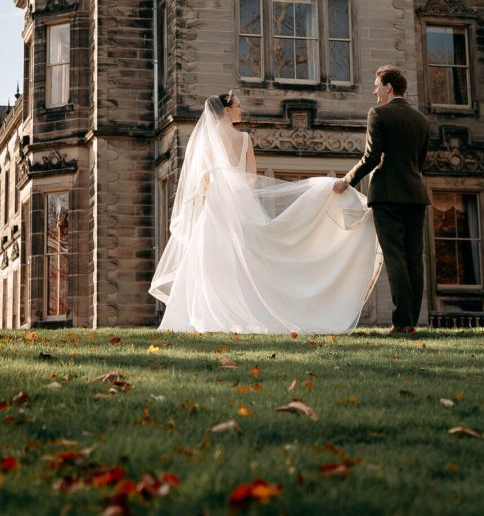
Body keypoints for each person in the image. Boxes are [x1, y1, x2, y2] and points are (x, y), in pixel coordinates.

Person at [150, 90, 382, 334]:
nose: (241, 110)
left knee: (211, 260)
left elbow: (202, 181)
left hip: (215, 207)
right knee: (248, 259)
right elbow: (250, 178)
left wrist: (217, 187)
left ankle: (208, 314)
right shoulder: (244, 139)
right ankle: (244, 312)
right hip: (241, 205)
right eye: (238, 106)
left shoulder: (205, 141)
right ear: (227, 111)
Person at [332, 67, 430, 335]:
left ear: (389, 87)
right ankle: (409, 321)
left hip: (387, 195)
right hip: (416, 195)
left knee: (395, 256)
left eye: (377, 86)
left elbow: (371, 157)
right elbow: (419, 162)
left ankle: (401, 322)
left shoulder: (378, 114)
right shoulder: (422, 120)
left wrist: (347, 181)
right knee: (414, 259)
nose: (374, 92)